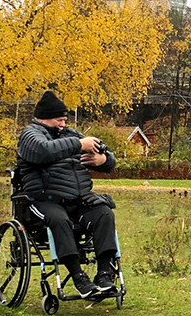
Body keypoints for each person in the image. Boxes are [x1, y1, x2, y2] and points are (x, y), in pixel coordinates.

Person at [15, 90, 118, 298]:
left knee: (104, 213)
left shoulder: (71, 134)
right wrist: (79, 145)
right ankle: (78, 277)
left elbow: (110, 158)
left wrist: (103, 160)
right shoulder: (30, 136)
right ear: (43, 117)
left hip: (78, 199)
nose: (63, 124)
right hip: (44, 199)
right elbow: (43, 151)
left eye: (64, 120)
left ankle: (104, 275)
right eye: (58, 120)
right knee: (59, 220)